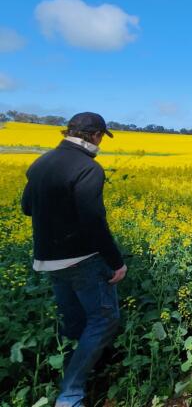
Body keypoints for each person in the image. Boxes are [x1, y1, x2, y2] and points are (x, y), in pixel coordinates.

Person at [21, 112, 126, 407]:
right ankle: (70, 396)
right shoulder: (88, 168)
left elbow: (28, 207)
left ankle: (89, 374)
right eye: (101, 137)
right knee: (105, 320)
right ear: (94, 135)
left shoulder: (41, 163)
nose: (101, 143)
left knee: (76, 323)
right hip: (83, 259)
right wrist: (117, 262)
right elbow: (94, 221)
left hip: (48, 259)